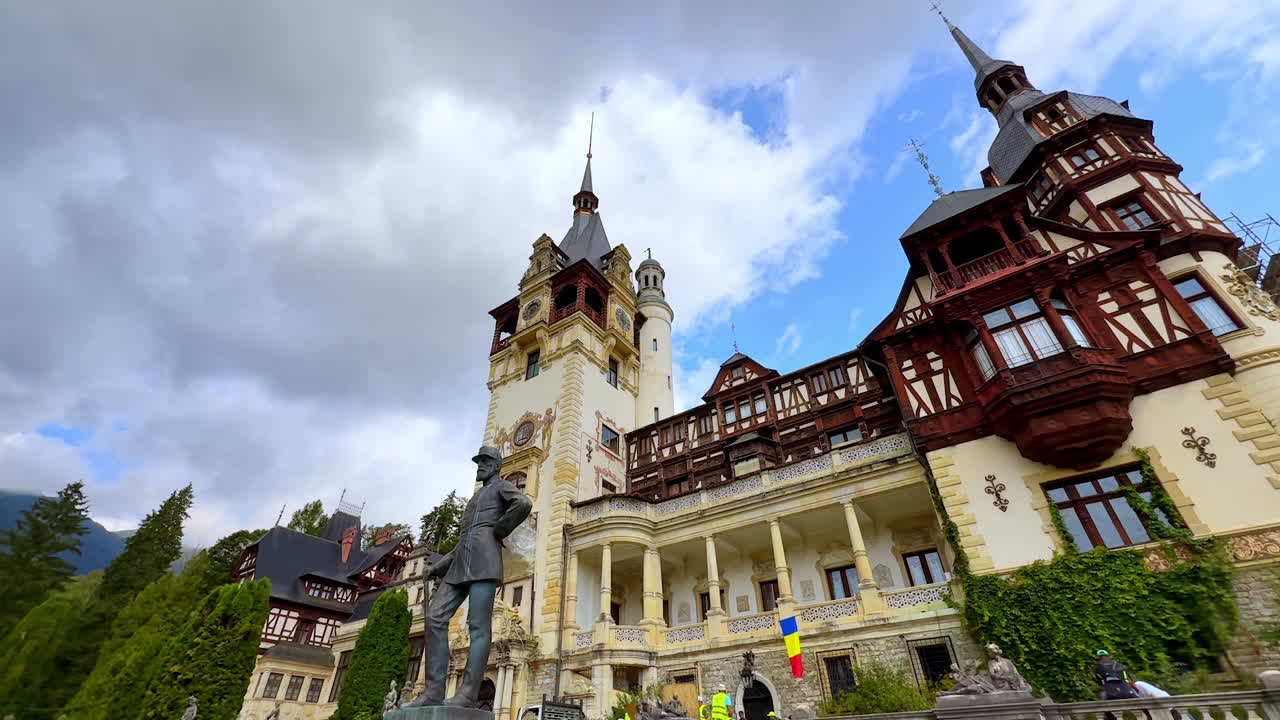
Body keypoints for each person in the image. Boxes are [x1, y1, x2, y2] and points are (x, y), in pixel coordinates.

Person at [405, 446, 533, 708]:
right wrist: (437, 567)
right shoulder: (475, 499)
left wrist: (498, 531)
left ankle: (468, 693)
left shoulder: (502, 486)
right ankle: (433, 692)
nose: (480, 466)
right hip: (459, 564)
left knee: (478, 626)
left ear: (497, 466)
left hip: (485, 561)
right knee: (434, 617)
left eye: (485, 462)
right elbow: (463, 542)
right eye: (478, 462)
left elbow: (524, 503)